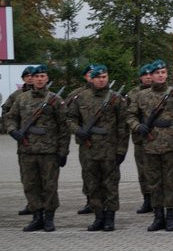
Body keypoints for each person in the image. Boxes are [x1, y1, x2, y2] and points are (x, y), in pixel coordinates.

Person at [7, 65, 70, 232]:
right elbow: (10, 117)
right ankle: (37, 217)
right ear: (31, 79)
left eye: (43, 76)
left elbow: (64, 127)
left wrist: (63, 151)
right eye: (37, 76)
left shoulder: (55, 100)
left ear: (47, 78)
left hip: (49, 152)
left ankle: (49, 218)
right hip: (27, 150)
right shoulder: (21, 99)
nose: (40, 79)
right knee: (30, 185)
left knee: (49, 186)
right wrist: (13, 131)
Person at [66, 65, 128, 231]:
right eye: (98, 77)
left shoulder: (116, 99)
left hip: (110, 149)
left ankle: (110, 219)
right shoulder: (81, 98)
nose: (102, 80)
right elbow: (70, 118)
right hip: (89, 149)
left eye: (104, 76)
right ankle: (98, 217)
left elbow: (123, 126)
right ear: (91, 79)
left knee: (110, 185)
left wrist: (122, 150)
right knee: (92, 185)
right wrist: (78, 131)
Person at [126, 59, 173, 231]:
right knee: (154, 183)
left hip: (171, 146)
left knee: (170, 183)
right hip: (150, 146)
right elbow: (130, 116)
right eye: (157, 73)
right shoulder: (141, 96)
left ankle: (170, 217)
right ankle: (158, 216)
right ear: (151, 76)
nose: (161, 76)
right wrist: (139, 127)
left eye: (163, 72)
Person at [64, 64, 97, 215]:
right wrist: (77, 130)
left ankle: (103, 203)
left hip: (105, 142)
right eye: (90, 73)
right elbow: (67, 116)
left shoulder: (109, 95)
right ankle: (90, 201)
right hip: (85, 142)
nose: (93, 75)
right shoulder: (76, 94)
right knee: (87, 172)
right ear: (85, 76)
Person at [2, 66, 34, 216]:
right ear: (23, 79)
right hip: (24, 140)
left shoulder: (48, 96)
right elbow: (6, 111)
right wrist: (13, 129)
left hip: (44, 142)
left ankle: (42, 208)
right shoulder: (17, 95)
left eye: (31, 75)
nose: (29, 78)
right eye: (26, 76)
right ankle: (31, 203)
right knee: (27, 176)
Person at [126, 64, 154, 214]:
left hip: (158, 139)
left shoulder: (160, 92)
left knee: (156, 172)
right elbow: (129, 116)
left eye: (151, 74)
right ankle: (147, 200)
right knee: (143, 172)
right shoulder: (133, 94)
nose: (148, 77)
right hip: (140, 139)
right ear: (140, 77)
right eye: (145, 75)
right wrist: (137, 126)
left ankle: (159, 201)